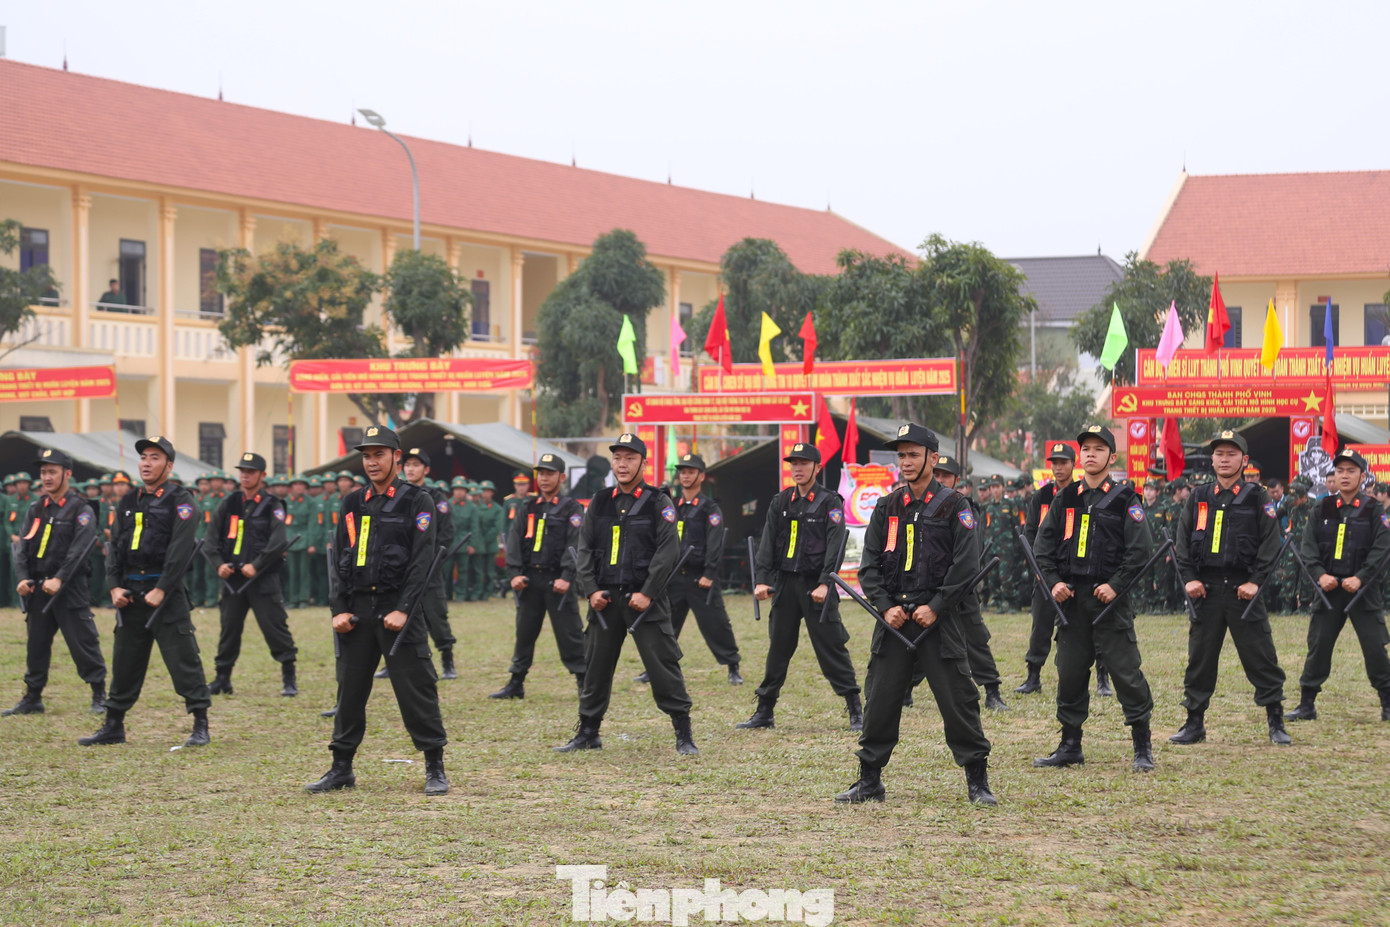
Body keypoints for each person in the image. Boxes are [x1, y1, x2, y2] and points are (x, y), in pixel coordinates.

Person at [834, 423, 995, 805]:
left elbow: (965, 565)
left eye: (913, 454)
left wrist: (936, 606)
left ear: (933, 458)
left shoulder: (955, 506)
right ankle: (869, 781)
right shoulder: (887, 506)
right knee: (880, 700)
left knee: (958, 701)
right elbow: (869, 566)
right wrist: (885, 606)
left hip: (938, 621)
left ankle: (977, 781)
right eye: (901, 455)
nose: (905, 462)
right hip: (893, 622)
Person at [307, 425, 449, 795]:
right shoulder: (352, 502)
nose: (371, 462)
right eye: (367, 456)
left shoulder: (418, 501)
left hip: (397, 611)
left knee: (417, 689)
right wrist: (338, 609)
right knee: (349, 693)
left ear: (396, 457)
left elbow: (421, 562)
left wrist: (403, 609)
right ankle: (341, 768)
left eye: (379, 454)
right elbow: (340, 558)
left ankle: (434, 765)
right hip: (357, 612)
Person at [554, 432, 697, 756]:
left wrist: (648, 593)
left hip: (644, 601)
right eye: (617, 458)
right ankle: (588, 732)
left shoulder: (659, 501)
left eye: (630, 458)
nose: (622, 464)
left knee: (662, 666)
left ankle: (683, 733)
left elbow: (668, 551)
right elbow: (584, 548)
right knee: (595, 668)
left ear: (644, 464)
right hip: (604, 601)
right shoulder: (600, 501)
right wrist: (590, 590)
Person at [1033, 425, 1156, 773]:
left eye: (1099, 449)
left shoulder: (1125, 499)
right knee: (1069, 673)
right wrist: (1054, 583)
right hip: (1071, 601)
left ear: (1111, 457)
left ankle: (1142, 746)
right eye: (1086, 448)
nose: (1090, 454)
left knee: (1126, 673)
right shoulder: (1065, 498)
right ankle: (1070, 745)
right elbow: (1042, 547)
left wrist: (1116, 585)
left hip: (1109, 602)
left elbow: (1141, 550)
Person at [81, 435, 212, 748]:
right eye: (143, 457)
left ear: (169, 465)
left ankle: (200, 725)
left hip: (166, 595)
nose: (147, 463)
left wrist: (162, 588)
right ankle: (114, 725)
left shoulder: (181, 500)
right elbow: (115, 545)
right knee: (125, 661)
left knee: (183, 659)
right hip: (130, 593)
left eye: (155, 457)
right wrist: (114, 586)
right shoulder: (129, 500)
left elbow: (180, 550)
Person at [1170, 431, 1292, 746]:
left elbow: (1271, 543)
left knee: (1260, 655)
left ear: (1244, 460)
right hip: (1206, 590)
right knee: (1200, 658)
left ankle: (1276, 721)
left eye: (1231, 454)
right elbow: (1182, 540)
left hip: (1243, 590)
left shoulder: (1257, 497)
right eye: (1219, 454)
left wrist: (1256, 582)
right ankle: (1194, 722)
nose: (1224, 459)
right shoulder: (1198, 496)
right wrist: (1189, 578)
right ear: (1212, 459)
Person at [739, 442, 862, 732]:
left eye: (804, 463)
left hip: (816, 587)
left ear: (817, 467)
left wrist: (825, 582)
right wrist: (762, 580)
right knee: (778, 648)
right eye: (794, 463)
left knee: (831, 647)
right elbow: (768, 542)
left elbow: (835, 545)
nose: (798, 468)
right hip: (785, 586)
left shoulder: (830, 502)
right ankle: (765, 711)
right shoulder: (781, 501)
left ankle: (856, 709)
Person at [1286, 448, 1390, 723]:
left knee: (1375, 647)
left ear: (1363, 476)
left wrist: (1362, 577)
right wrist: (1319, 574)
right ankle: (1307, 704)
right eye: (1340, 471)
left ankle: (1387, 703)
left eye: (1351, 471)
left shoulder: (1373, 510)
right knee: (1318, 646)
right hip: (1329, 590)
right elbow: (1308, 546)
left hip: (1362, 591)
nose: (1344, 476)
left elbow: (1382, 549)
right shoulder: (1322, 507)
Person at [4, 449, 107, 717]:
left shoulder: (81, 509)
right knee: (36, 645)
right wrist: (23, 577)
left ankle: (99, 694)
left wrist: (59, 578)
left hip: (69, 588)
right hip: (38, 588)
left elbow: (79, 550)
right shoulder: (36, 508)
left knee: (83, 642)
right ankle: (33, 697)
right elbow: (22, 547)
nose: (47, 477)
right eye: (43, 472)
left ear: (67, 474)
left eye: (52, 471)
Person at [1015, 443, 1110, 697]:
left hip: (1076, 572)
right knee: (1041, 625)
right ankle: (1033, 676)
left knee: (1093, 624)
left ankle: (1103, 678)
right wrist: (1039, 568)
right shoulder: (1042, 496)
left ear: (1073, 464)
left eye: (1063, 462)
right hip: (1047, 573)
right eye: (1054, 463)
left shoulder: (1082, 493)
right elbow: (1031, 534)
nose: (1058, 468)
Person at [206, 452, 299, 698]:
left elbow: (278, 540)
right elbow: (211, 538)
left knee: (275, 627)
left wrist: (257, 565)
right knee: (229, 629)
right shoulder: (229, 503)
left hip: (262, 578)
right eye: (242, 471)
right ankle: (222, 678)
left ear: (262, 475)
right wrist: (218, 565)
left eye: (251, 472)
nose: (245, 475)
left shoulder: (272, 504)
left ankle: (289, 677)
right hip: (233, 579)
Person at [496, 453, 587, 698]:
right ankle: (516, 683)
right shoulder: (528, 506)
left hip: (558, 581)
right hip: (529, 581)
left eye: (550, 473)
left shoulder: (572, 507)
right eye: (541, 474)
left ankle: (584, 682)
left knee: (570, 633)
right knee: (524, 633)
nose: (544, 478)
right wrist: (514, 573)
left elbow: (575, 543)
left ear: (562, 477)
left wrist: (567, 576)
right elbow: (514, 540)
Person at [653, 453, 742, 686]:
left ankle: (732, 666)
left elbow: (715, 543)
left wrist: (709, 573)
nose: (685, 476)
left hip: (700, 577)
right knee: (665, 624)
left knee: (716, 623)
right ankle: (656, 666)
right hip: (674, 577)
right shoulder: (672, 506)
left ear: (701, 476)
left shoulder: (709, 508)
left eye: (691, 472)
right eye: (682, 472)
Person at [402, 448, 457, 680]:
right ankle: (396, 660)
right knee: (399, 613)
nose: (410, 469)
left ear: (426, 470)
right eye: (407, 464)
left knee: (435, 614)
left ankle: (447, 660)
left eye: (416, 465)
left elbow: (446, 534)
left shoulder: (436, 498)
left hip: (428, 568)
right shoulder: (397, 496)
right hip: (401, 568)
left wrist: (431, 559)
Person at [470, 481, 505, 601]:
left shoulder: (497, 509)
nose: (485, 494)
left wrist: (484, 540)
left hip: (489, 544)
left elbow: (496, 527)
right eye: (483, 491)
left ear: (492, 493)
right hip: (477, 544)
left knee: (489, 571)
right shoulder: (474, 506)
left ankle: (487, 592)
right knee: (477, 570)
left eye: (488, 491)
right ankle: (477, 591)